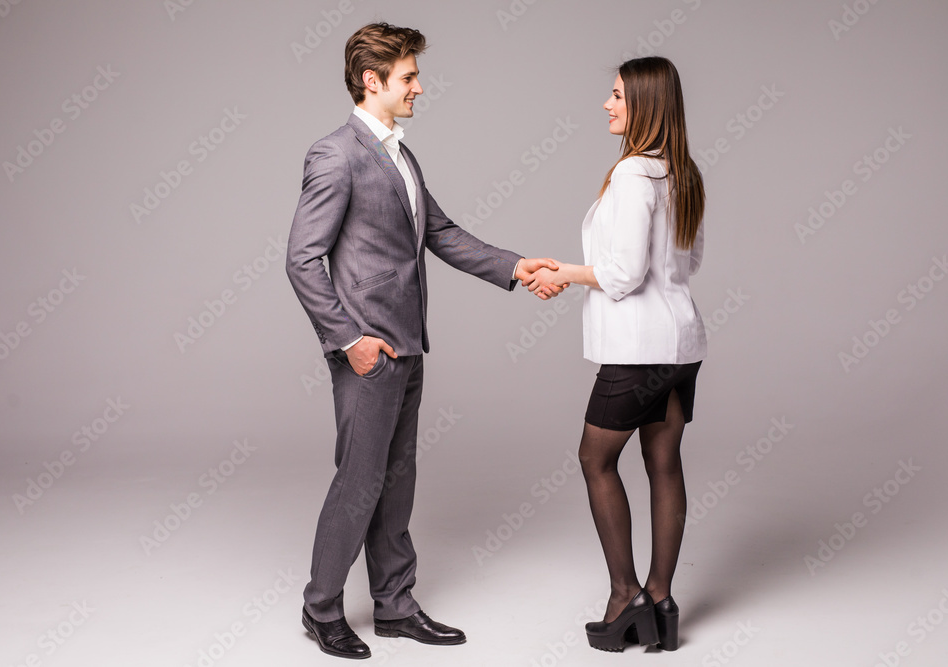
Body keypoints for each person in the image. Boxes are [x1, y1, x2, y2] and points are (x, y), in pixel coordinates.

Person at [286, 22, 563, 660]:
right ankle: (321, 608)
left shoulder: (400, 154)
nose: (419, 87)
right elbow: (303, 260)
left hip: (408, 347)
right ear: (371, 80)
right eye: (408, 77)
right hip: (369, 354)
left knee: (397, 481)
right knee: (359, 481)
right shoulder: (335, 155)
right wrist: (349, 339)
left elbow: (442, 233)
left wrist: (519, 268)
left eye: (415, 75)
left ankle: (395, 607)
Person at [525, 55, 707, 653]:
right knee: (664, 465)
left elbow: (624, 275)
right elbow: (687, 263)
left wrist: (562, 272)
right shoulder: (682, 173)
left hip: (638, 350)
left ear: (646, 106)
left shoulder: (632, 175)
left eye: (617, 96)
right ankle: (661, 599)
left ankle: (624, 595)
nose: (607, 105)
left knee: (595, 459)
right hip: (682, 346)